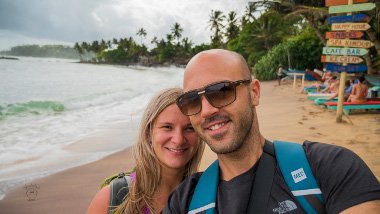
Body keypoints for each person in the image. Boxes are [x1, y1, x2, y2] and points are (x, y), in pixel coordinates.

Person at [163, 49, 380, 213]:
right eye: (192, 100)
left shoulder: (329, 168)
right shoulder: (185, 202)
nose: (207, 111)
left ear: (255, 93)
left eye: (222, 91)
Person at [87, 88, 205, 214]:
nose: (178, 140)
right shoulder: (114, 197)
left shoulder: (206, 196)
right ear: (149, 132)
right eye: (167, 127)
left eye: (189, 128)